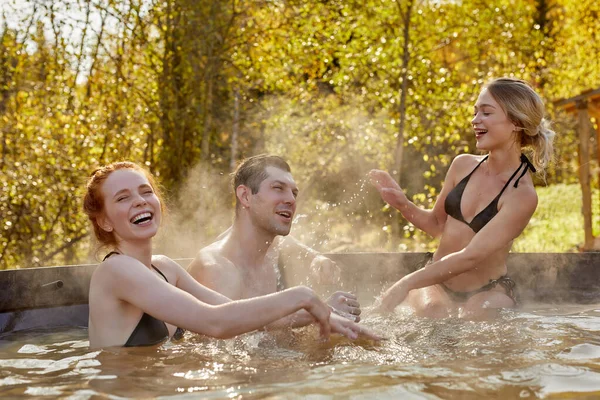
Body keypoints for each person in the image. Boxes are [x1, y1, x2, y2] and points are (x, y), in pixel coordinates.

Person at [84, 161, 379, 348]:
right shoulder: (116, 271)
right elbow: (216, 323)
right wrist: (301, 295)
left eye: (145, 192)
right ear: (105, 221)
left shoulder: (165, 269)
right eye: (123, 198)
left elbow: (242, 314)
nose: (139, 201)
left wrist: (323, 314)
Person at [369, 77, 555, 318]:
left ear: (516, 123)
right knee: (433, 310)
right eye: (475, 112)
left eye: (486, 113)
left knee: (475, 315)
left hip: (487, 292)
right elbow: (438, 226)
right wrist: (403, 205)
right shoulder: (462, 165)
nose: (475, 120)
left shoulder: (521, 194)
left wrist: (405, 282)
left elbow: (472, 256)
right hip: (437, 285)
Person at [187, 155, 362, 328]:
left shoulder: (267, 246)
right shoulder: (217, 268)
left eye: (294, 193)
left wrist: (316, 258)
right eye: (278, 188)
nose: (291, 200)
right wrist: (322, 310)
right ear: (245, 196)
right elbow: (235, 330)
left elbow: (288, 244)